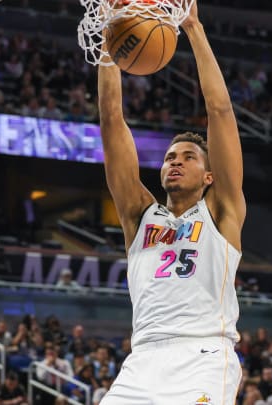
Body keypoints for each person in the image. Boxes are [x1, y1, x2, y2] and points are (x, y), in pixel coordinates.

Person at [97, 1, 246, 403]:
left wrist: (193, 28)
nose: (175, 162)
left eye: (188, 157)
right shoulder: (139, 214)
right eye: (169, 157)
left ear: (209, 175)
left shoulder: (221, 210)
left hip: (204, 354)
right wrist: (111, 34)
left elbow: (220, 110)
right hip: (143, 359)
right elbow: (112, 119)